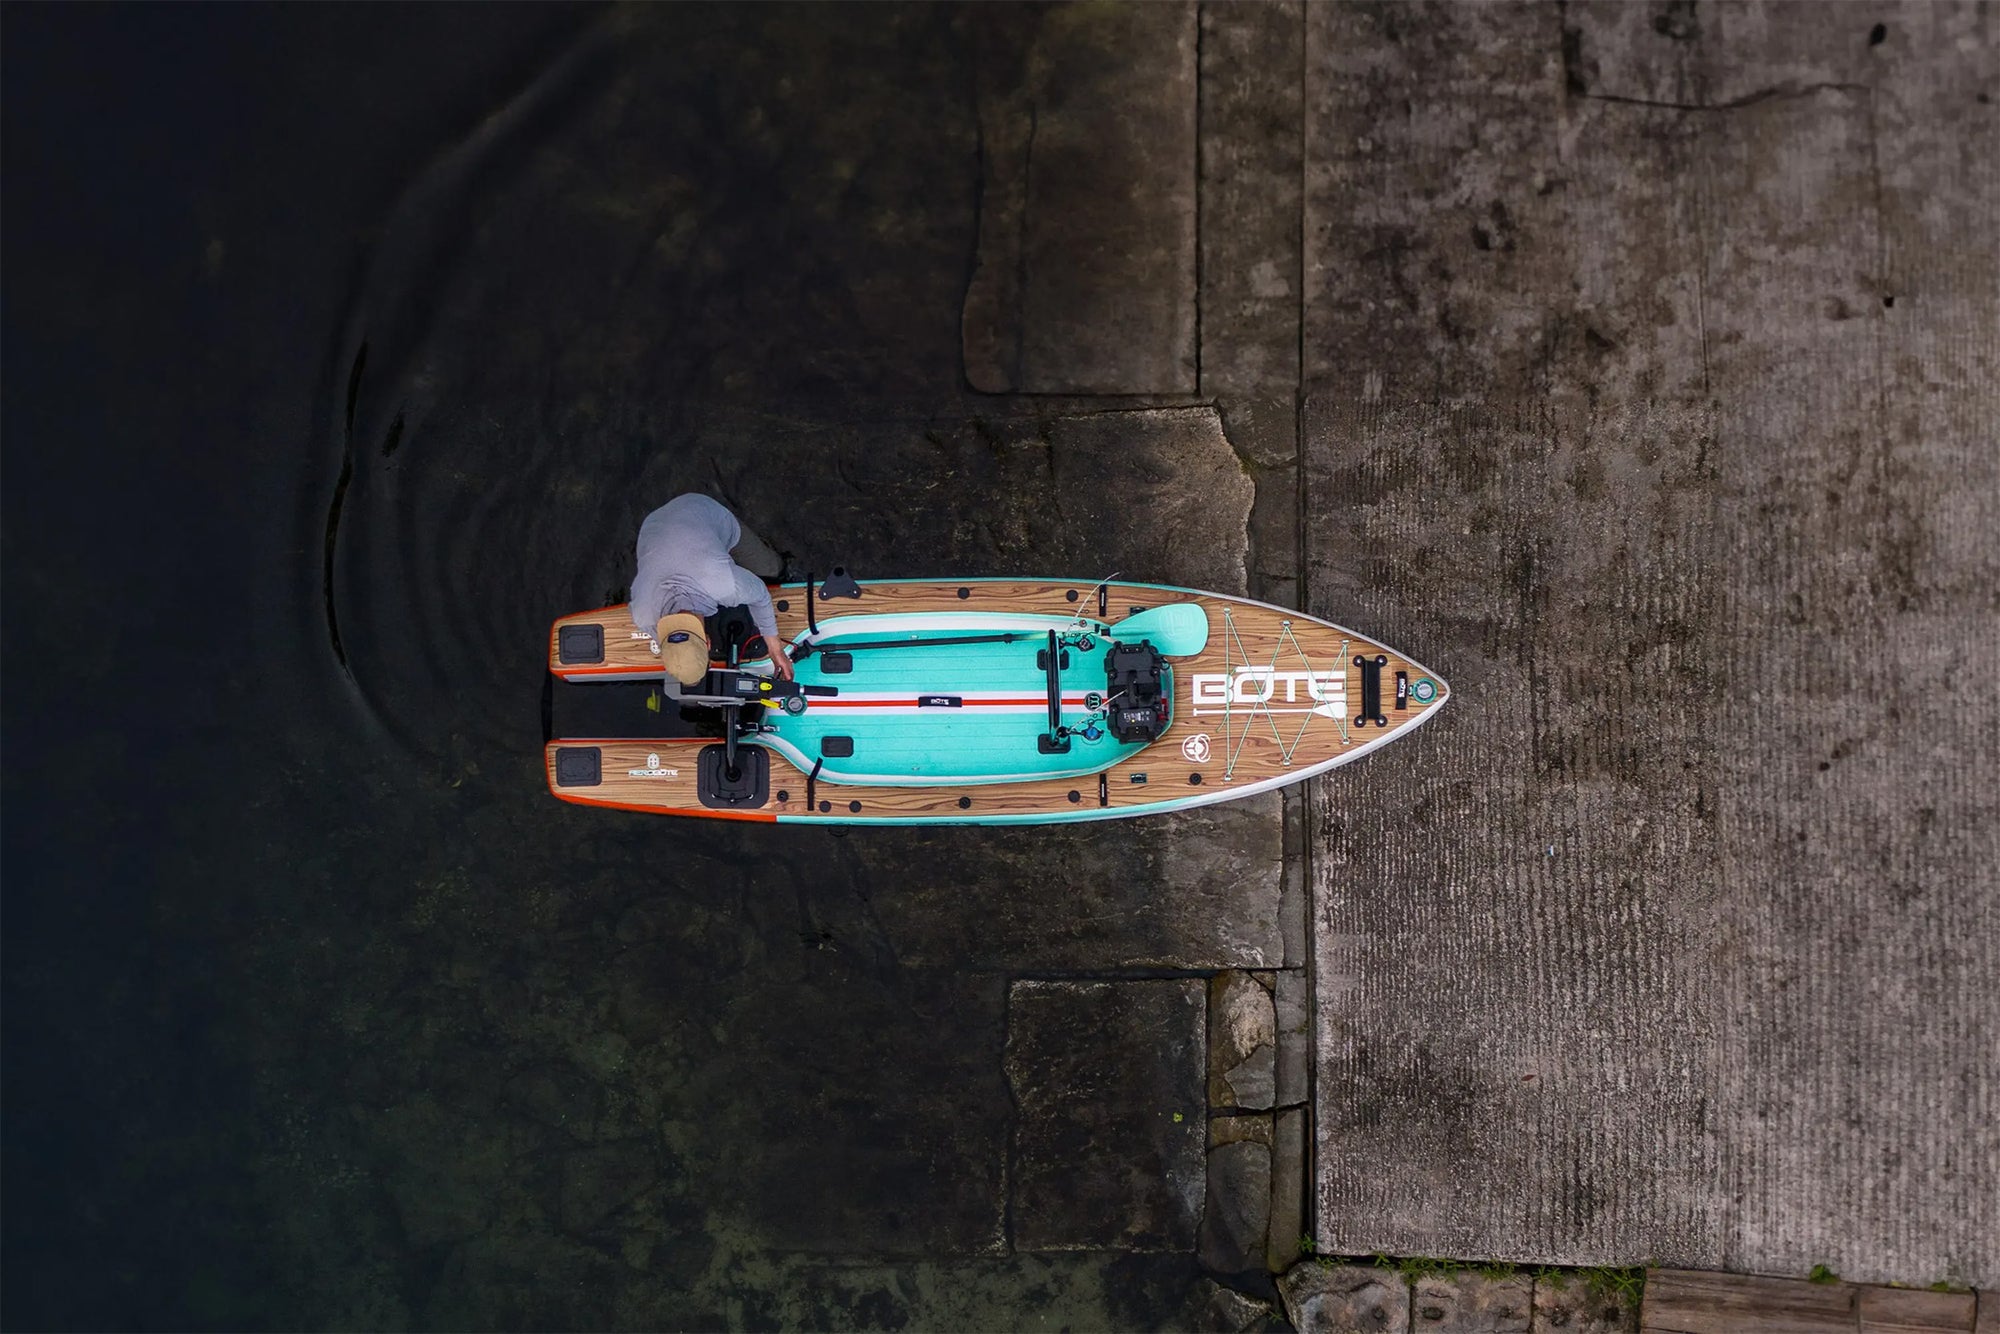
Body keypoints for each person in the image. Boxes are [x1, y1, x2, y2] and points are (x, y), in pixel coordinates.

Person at [630, 493, 793, 688]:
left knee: (772, 569)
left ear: (708, 643)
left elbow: (761, 596)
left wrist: (775, 650)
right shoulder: (641, 614)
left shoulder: (724, 585)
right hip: (653, 525)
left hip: (702, 511)